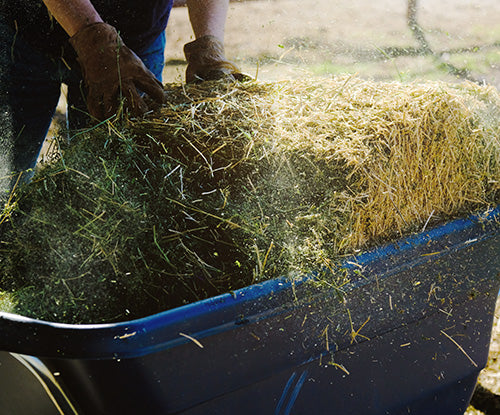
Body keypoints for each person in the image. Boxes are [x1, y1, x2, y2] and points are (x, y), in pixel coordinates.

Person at [0, 0, 245, 195]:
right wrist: (93, 38)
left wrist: (208, 42)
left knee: (116, 187)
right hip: (24, 38)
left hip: (134, 45)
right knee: (7, 177)